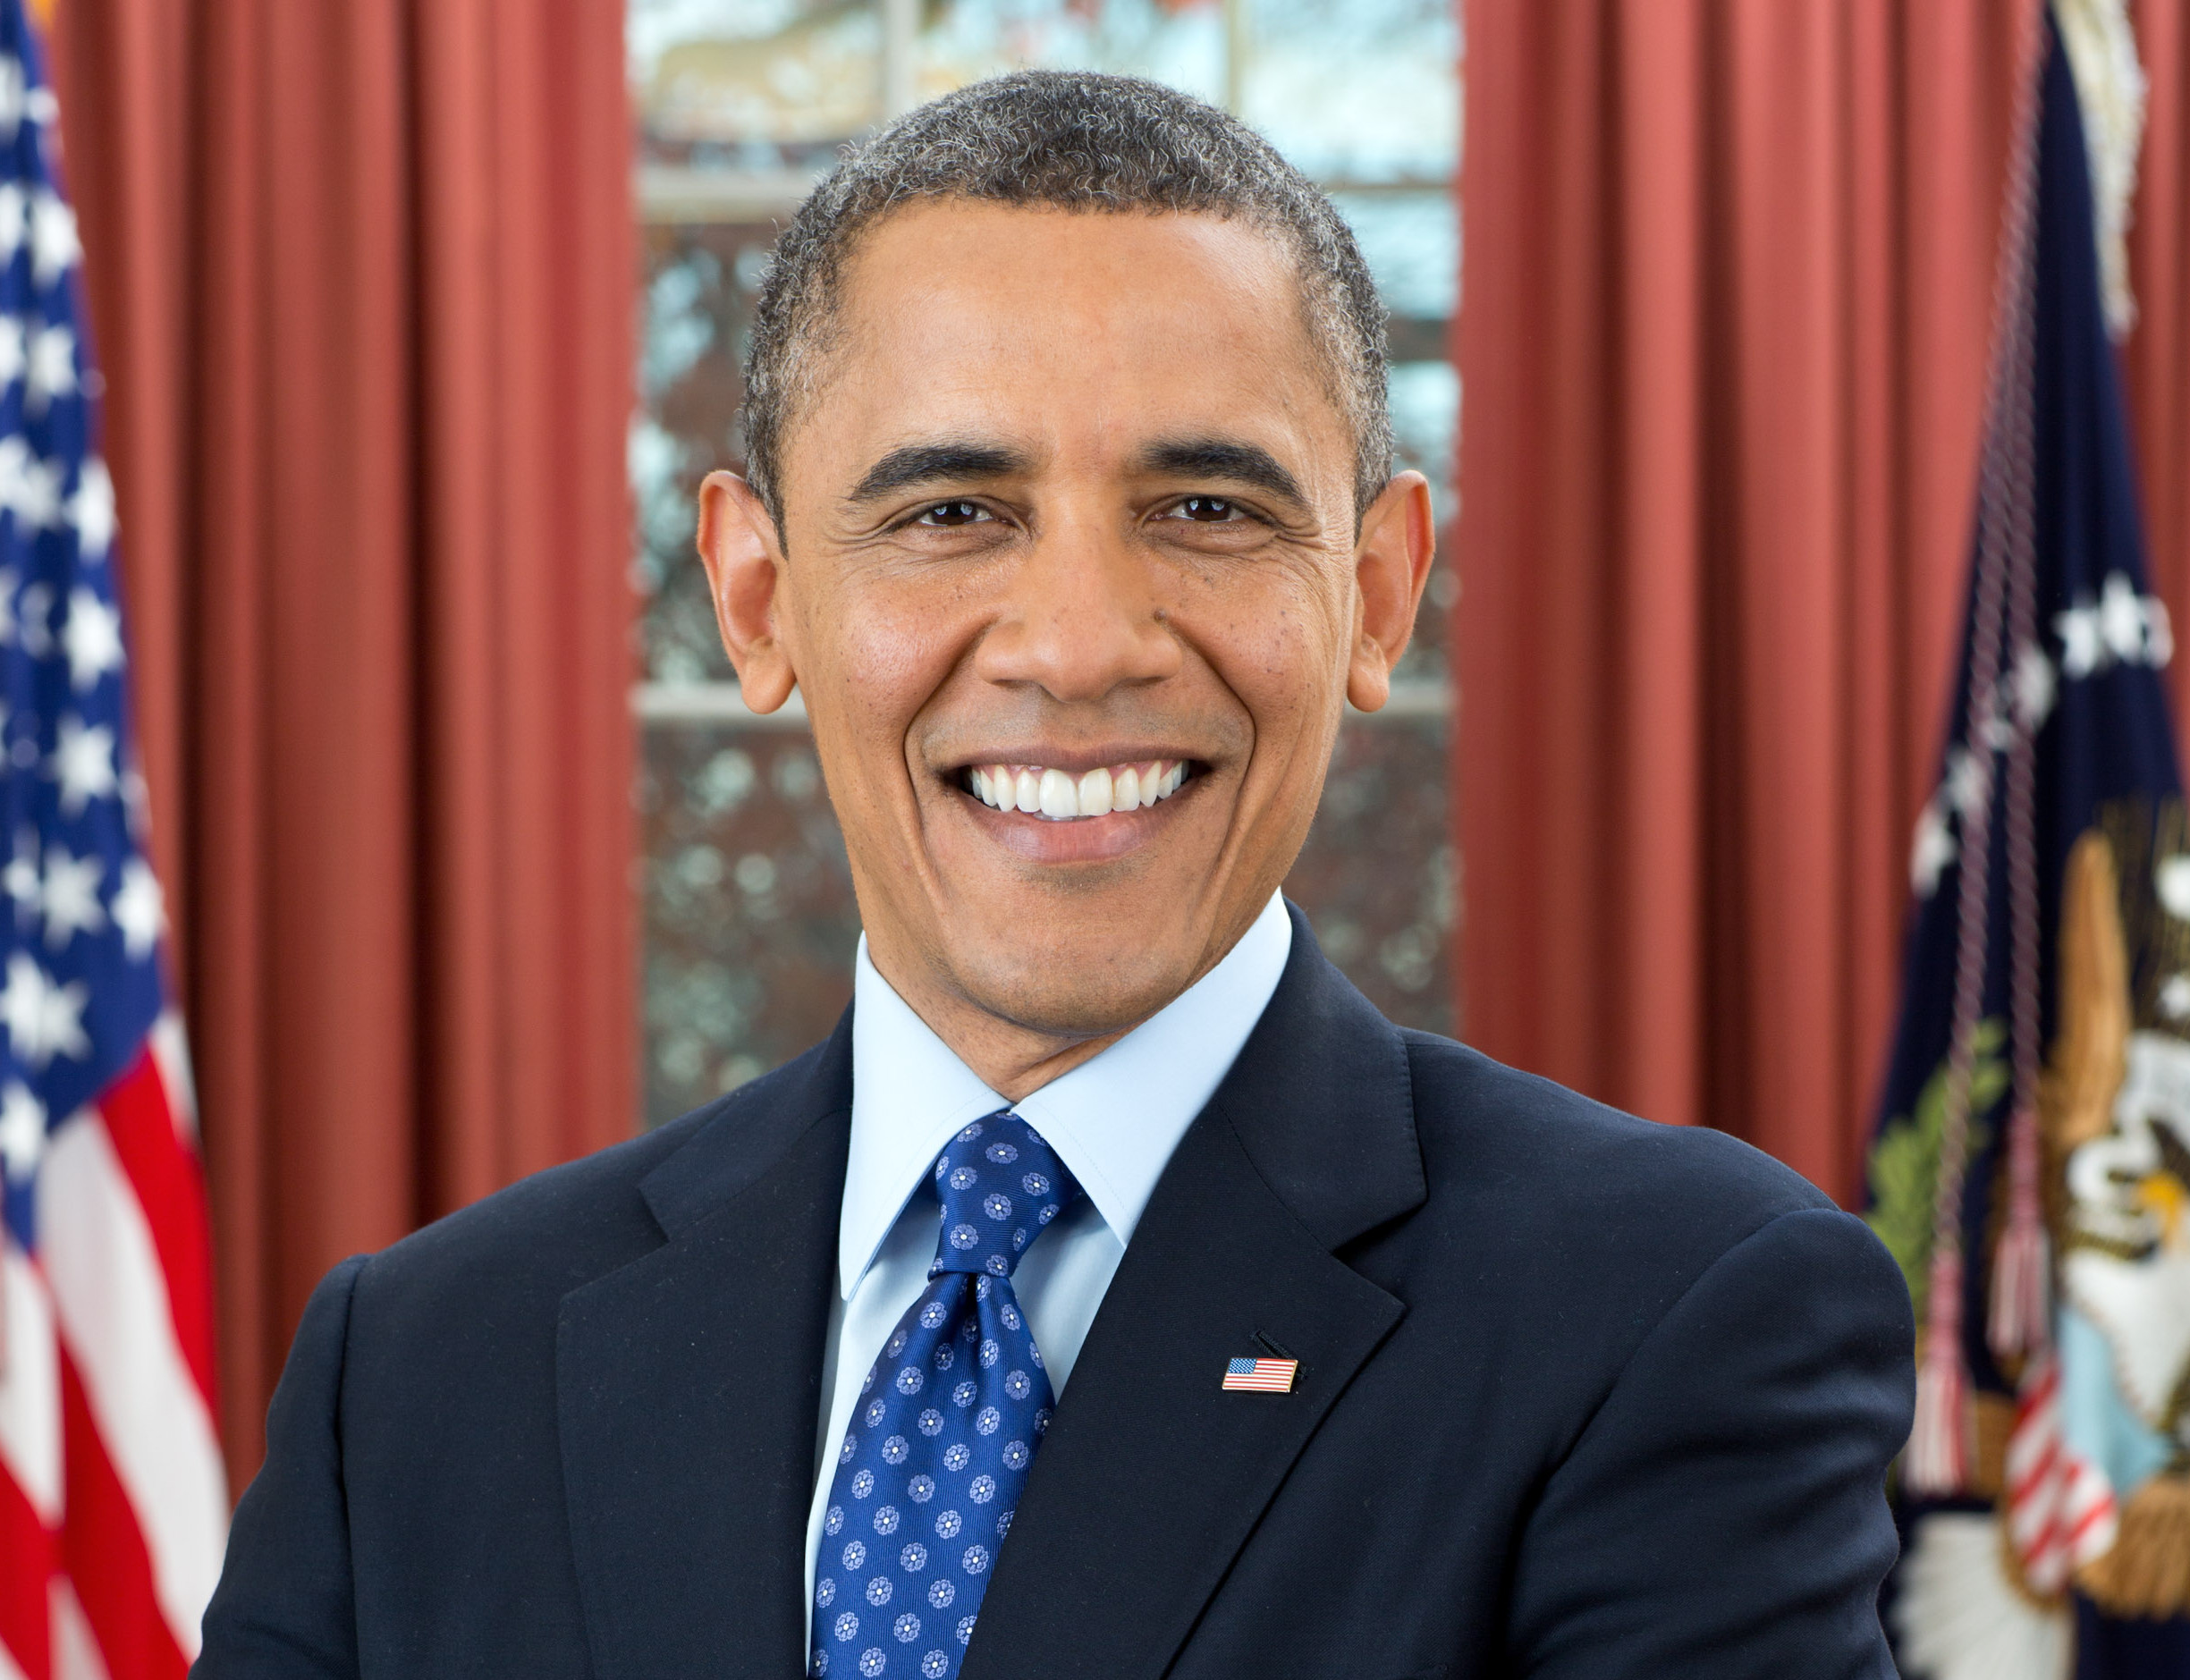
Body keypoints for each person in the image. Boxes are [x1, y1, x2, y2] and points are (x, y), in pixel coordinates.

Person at [196, 72, 1914, 1680]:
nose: (1081, 644)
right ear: (755, 598)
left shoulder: (1675, 1317)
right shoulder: (424, 1368)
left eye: (1206, 511)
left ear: (1378, 595)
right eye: (951, 513)